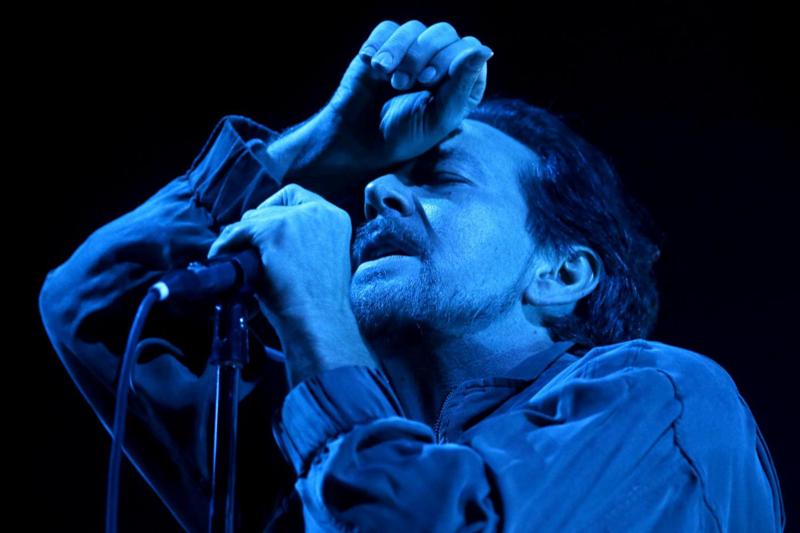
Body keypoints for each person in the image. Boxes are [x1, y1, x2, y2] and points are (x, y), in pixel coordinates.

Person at [38, 19, 785, 532]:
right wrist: (318, 151)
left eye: (439, 178)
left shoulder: (663, 400)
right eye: (378, 174)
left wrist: (317, 321)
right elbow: (95, 304)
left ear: (562, 272)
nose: (374, 191)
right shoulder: (299, 442)